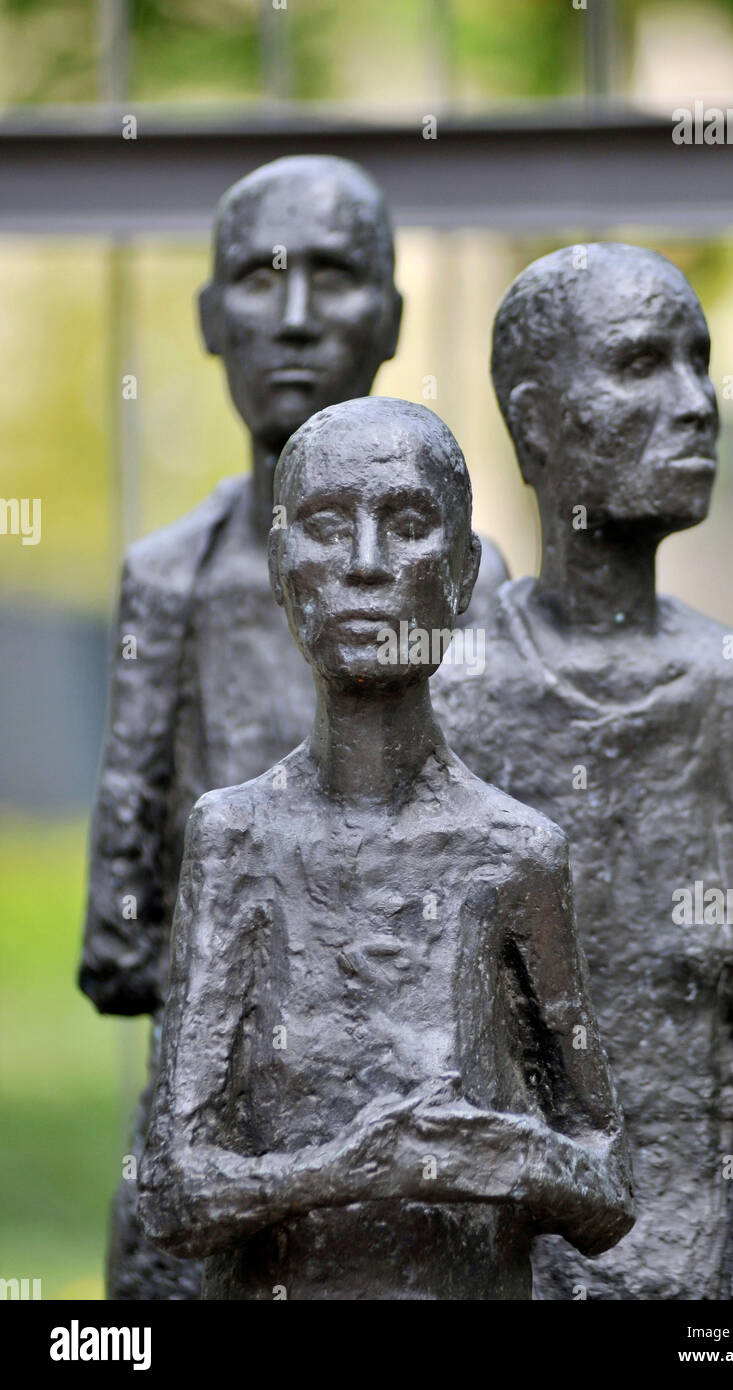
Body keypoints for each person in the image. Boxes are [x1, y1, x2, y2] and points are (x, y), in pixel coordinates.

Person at [79, 154, 508, 1299]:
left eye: (335, 275)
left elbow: (510, 881)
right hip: (208, 1159)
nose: (299, 317)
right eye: (261, 281)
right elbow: (117, 943)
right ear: (210, 318)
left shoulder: (479, 588)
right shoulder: (167, 580)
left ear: (392, 312)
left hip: (429, 1168)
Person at [138, 396, 634, 1300]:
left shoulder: (516, 853)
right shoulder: (235, 837)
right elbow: (173, 1193)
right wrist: (353, 1168)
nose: (365, 566)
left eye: (406, 525)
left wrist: (515, 1157)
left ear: (462, 572)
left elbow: (609, 1184)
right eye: (326, 528)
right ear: (283, 570)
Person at [435, 243, 733, 1300]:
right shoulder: (458, 686)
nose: (695, 401)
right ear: (531, 419)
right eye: (638, 364)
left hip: (699, 1255)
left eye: (698, 361)